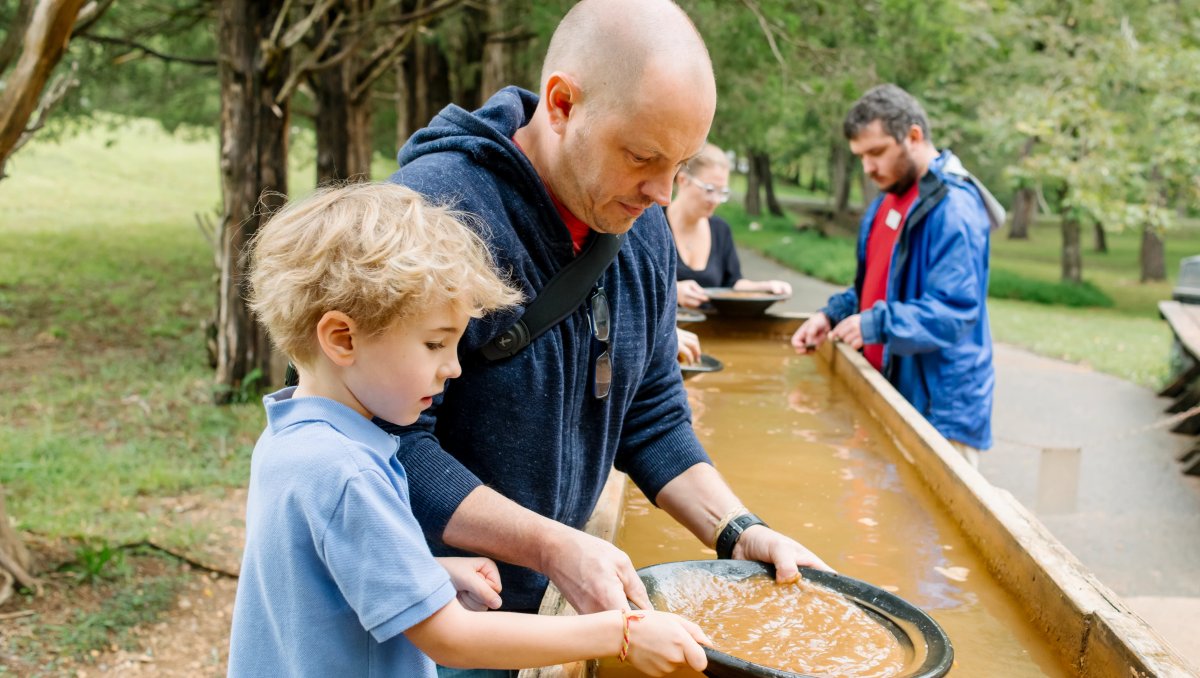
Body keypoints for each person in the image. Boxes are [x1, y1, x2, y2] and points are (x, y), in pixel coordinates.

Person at [386, 4, 830, 675]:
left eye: (680, 164)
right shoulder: (433, 214)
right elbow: (388, 443)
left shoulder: (641, 226)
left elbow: (649, 413)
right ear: (563, 103)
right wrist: (554, 547)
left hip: (528, 612)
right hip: (422, 613)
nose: (662, 192)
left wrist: (738, 529)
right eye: (643, 156)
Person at [227, 183, 711, 678]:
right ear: (342, 338)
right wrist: (622, 632)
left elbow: (314, 577)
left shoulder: (292, 437)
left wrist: (429, 573)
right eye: (435, 344)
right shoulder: (348, 473)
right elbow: (451, 638)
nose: (453, 369)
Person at [790, 84, 1002, 465]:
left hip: (938, 413)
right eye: (860, 156)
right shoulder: (883, 204)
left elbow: (955, 311)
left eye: (877, 152)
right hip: (887, 393)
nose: (868, 168)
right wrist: (830, 315)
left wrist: (874, 325)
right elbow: (872, 289)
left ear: (914, 136)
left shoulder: (954, 208)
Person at [666, 143, 793, 309]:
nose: (716, 200)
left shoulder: (720, 230)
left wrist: (765, 288)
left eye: (722, 192)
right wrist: (673, 292)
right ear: (683, 180)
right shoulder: (652, 225)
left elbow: (732, 284)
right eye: (709, 189)